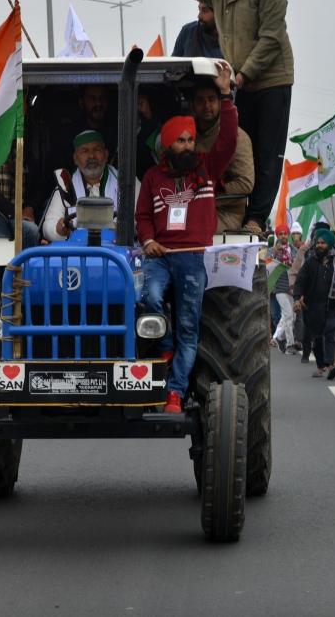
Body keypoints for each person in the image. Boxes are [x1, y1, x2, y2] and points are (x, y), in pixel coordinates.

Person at [142, 0, 293, 235]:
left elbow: (271, 39)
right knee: (238, 146)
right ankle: (233, 207)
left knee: (267, 152)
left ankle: (257, 217)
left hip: (271, 81)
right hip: (241, 83)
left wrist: (241, 74)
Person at [135, 60, 237, 413]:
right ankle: (164, 344)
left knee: (189, 328)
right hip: (160, 257)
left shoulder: (206, 168)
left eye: (191, 139)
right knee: (147, 296)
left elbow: (227, 140)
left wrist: (226, 97)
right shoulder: (151, 177)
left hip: (193, 259)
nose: (189, 145)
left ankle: (174, 392)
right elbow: (143, 216)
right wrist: (148, 241)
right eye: (181, 140)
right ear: (167, 144)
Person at [191, 80, 254, 232]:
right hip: (189, 206)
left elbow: (245, 184)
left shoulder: (238, 137)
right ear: (192, 104)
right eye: (200, 101)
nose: (207, 106)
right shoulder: (187, 134)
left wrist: (208, 193)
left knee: (192, 231)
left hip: (225, 213)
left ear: (220, 103)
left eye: (211, 100)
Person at [42, 129, 120, 242]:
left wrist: (120, 228)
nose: (91, 156)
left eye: (97, 149)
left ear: (106, 154)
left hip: (115, 251)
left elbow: (139, 221)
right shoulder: (66, 184)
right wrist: (59, 230)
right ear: (75, 158)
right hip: (77, 251)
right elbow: (48, 227)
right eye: (85, 151)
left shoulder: (125, 182)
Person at [294, 228, 335, 379]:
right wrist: (298, 297)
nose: (319, 245)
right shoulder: (310, 262)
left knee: (329, 333)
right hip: (313, 307)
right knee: (318, 337)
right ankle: (321, 366)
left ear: (329, 244)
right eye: (318, 242)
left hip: (332, 305)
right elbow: (301, 280)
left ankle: (331, 365)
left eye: (323, 243)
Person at [270, 226, 297, 354]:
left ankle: (280, 338)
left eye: (285, 233)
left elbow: (299, 265)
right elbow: (266, 264)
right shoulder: (272, 251)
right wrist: (275, 253)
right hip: (279, 287)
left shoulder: (294, 250)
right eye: (280, 234)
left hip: (292, 288)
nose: (283, 236)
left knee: (293, 316)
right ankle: (290, 345)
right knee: (288, 315)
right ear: (277, 236)